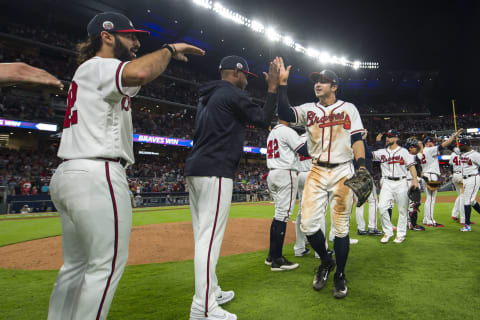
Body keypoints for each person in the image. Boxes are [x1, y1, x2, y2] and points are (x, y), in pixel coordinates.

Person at [47, 11, 204, 320]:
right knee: (105, 264)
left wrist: (162, 60)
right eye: (129, 35)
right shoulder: (101, 65)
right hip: (98, 172)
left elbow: (137, 79)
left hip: (70, 172)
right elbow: (141, 72)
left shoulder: (89, 72)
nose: (135, 42)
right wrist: (171, 50)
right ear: (106, 36)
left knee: (76, 266)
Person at [184, 55, 279, 319]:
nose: (247, 82)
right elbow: (262, 118)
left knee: (203, 237)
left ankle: (211, 291)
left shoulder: (209, 95)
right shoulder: (230, 92)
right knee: (208, 241)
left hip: (196, 168)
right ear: (236, 73)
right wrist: (272, 88)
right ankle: (203, 308)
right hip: (215, 171)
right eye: (246, 77)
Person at [276, 59, 367, 299]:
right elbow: (284, 113)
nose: (318, 84)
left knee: (340, 227)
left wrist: (362, 167)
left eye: (323, 81)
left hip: (342, 170)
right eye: (316, 81)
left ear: (334, 86)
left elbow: (357, 139)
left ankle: (340, 274)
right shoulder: (309, 110)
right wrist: (282, 85)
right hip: (316, 170)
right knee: (307, 225)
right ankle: (327, 261)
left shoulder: (349, 108)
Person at [264, 120, 308, 271]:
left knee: (278, 215)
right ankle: (277, 260)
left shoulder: (272, 132)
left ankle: (271, 256)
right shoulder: (287, 131)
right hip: (285, 173)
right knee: (283, 216)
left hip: (272, 173)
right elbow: (304, 150)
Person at [373, 130, 419, 244]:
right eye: (387, 136)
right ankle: (388, 232)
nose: (388, 138)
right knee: (382, 207)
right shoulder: (382, 152)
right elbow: (368, 154)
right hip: (387, 182)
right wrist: (363, 139)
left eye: (390, 136)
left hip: (401, 182)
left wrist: (415, 180)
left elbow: (412, 167)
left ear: (396, 138)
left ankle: (401, 235)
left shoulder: (403, 152)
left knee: (402, 210)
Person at [418, 130, 463, 227]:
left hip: (426, 174)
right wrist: (454, 136)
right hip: (431, 175)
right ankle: (430, 221)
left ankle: (426, 219)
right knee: (431, 199)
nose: (432, 143)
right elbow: (443, 145)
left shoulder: (422, 152)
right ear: (427, 143)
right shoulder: (429, 149)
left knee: (428, 198)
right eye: (431, 142)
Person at [355, 130, 383, 236]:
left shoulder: (351, 146)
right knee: (373, 202)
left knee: (360, 203)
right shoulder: (362, 146)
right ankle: (372, 228)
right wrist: (363, 139)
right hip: (365, 176)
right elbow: (370, 154)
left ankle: (361, 228)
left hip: (355, 176)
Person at [292, 133, 313, 257]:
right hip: (311, 174)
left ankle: (300, 246)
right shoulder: (315, 135)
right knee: (318, 212)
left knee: (301, 211)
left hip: (299, 174)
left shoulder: (297, 138)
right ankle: (321, 250)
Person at [457, 138, 480, 232]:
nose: (459, 146)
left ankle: (467, 225)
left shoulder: (475, 155)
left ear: (466, 145)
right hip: (465, 179)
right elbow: (453, 148)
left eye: (461, 145)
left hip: (473, 178)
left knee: (467, 201)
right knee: (472, 201)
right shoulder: (462, 153)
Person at [404, 137, 425, 231]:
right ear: (410, 148)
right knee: (414, 204)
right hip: (411, 181)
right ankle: (412, 224)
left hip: (403, 182)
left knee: (405, 205)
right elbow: (421, 154)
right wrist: (420, 144)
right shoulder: (413, 156)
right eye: (414, 146)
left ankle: (406, 223)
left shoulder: (402, 155)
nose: (416, 148)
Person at [449, 147, 465, 224]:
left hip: (454, 175)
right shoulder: (463, 155)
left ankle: (454, 214)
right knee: (463, 196)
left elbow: (451, 166)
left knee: (460, 195)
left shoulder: (452, 155)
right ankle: (463, 218)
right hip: (461, 175)